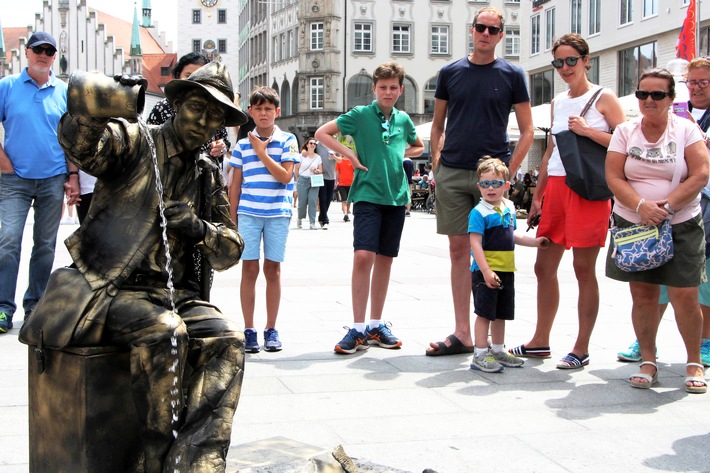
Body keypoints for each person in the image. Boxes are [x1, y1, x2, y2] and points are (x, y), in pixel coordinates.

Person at [47, 61, 250, 471]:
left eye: (216, 116)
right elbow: (82, 145)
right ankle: (156, 456)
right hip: (111, 290)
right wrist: (99, 103)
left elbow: (230, 250)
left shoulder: (208, 174)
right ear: (177, 105)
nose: (205, 121)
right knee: (166, 331)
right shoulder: (137, 142)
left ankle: (195, 461)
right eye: (198, 107)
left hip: (175, 295)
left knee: (228, 338)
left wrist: (198, 228)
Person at [505, 34, 626, 369]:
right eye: (558, 62)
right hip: (556, 189)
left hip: (587, 188)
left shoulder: (605, 97)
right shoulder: (558, 102)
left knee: (583, 269)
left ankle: (581, 347)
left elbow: (627, 143)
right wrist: (538, 196)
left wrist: (589, 131)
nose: (565, 68)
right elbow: (549, 152)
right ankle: (540, 340)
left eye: (571, 60)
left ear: (587, 60)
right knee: (543, 266)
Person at [426, 7, 534, 356]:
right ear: (471, 31)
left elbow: (528, 130)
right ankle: (463, 332)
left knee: (494, 251)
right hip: (454, 172)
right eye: (480, 28)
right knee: (459, 252)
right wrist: (436, 165)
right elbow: (438, 123)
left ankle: (491, 332)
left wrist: (508, 172)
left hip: (491, 176)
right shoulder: (450, 72)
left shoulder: (513, 74)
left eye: (493, 29)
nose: (486, 33)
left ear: (502, 35)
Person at [606, 68, 708, 394]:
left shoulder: (687, 131)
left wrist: (666, 207)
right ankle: (648, 360)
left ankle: (693, 361)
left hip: (680, 221)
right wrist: (641, 206)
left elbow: (700, 174)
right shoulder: (625, 131)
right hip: (634, 222)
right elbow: (614, 177)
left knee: (685, 295)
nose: (649, 100)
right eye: (642, 94)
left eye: (657, 95)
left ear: (670, 98)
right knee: (644, 295)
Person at [316, 61, 424, 354]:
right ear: (374, 89)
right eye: (382, 87)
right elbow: (322, 133)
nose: (388, 92)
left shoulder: (403, 120)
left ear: (400, 90)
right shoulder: (361, 115)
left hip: (396, 196)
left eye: (393, 88)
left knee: (386, 259)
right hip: (366, 194)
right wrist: (349, 153)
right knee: (364, 255)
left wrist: (402, 152)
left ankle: (376, 325)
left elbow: (418, 145)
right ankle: (358, 326)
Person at [0, 31, 78, 333]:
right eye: (37, 50)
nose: (43, 55)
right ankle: (4, 308)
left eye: (49, 51)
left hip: (52, 178)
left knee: (45, 246)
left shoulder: (63, 92)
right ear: (27, 53)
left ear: (55, 56)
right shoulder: (7, 87)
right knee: (8, 242)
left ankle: (36, 305)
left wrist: (72, 176)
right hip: (14, 179)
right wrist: (3, 160)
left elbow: (70, 139)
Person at [229, 86, 299, 353]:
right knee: (249, 269)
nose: (263, 113)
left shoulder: (288, 140)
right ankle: (249, 329)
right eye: (258, 108)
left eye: (268, 108)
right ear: (250, 112)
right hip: (248, 212)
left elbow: (285, 177)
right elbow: (235, 185)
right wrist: (232, 218)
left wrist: (262, 152)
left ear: (277, 112)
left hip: (277, 213)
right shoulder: (242, 144)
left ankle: (271, 328)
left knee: (273, 269)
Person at [468, 158, 549, 372]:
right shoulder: (479, 212)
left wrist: (534, 242)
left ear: (506, 185)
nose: (490, 188)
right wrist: (485, 270)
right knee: (484, 313)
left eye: (496, 183)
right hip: (485, 272)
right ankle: (480, 354)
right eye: (485, 184)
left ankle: (497, 350)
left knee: (501, 313)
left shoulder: (509, 207)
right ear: (479, 187)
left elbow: (512, 235)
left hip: (506, 270)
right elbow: (474, 243)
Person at [147, 52, 231, 176]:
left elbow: (223, 139)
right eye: (188, 75)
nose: (202, 121)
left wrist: (221, 146)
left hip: (202, 171)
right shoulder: (162, 107)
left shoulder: (216, 110)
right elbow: (149, 139)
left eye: (201, 77)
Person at [295, 137, 323, 230]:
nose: (313, 145)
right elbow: (297, 169)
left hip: (314, 180)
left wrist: (315, 170)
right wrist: (297, 179)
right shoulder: (301, 156)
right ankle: (300, 217)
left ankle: (312, 222)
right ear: (307, 145)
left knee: (313, 201)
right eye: (311, 143)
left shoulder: (318, 157)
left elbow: (320, 171)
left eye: (315, 144)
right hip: (303, 180)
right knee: (302, 202)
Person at [316, 142, 336, 229]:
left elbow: (340, 159)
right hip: (321, 176)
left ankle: (321, 216)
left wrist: (334, 157)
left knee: (328, 199)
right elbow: (308, 151)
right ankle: (325, 219)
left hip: (332, 177)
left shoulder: (334, 145)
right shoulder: (317, 145)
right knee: (323, 198)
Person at [335, 152, 354, 221]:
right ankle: (345, 214)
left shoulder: (352, 161)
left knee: (349, 200)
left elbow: (355, 172)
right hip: (342, 183)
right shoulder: (339, 161)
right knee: (344, 200)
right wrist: (336, 182)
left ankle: (347, 213)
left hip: (351, 184)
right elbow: (337, 172)